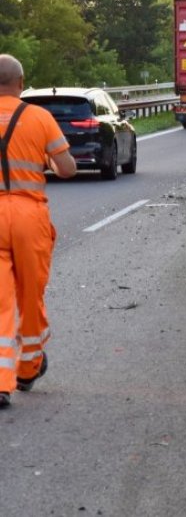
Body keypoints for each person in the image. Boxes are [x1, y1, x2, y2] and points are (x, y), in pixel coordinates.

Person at [0, 54, 76, 409]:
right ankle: (27, 369)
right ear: (21, 81)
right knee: (31, 293)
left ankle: (1, 382)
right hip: (29, 214)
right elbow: (66, 170)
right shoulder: (39, 117)